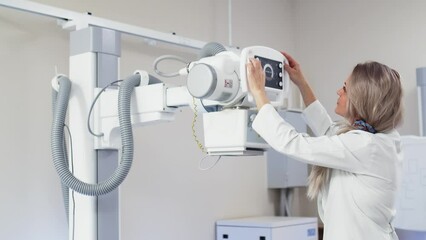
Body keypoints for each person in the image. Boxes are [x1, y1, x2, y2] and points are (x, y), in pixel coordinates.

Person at [246, 53, 403, 240]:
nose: (339, 91)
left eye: (345, 88)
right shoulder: (375, 141)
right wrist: (301, 83)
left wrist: (258, 93)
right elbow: (329, 131)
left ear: (361, 98)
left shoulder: (366, 146)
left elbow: (294, 143)